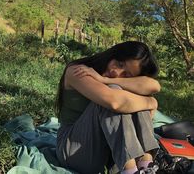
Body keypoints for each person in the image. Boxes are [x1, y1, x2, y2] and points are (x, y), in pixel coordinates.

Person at [55, 41, 161, 174]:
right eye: (120, 64)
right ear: (113, 54)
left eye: (127, 75)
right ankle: (130, 171)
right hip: (72, 150)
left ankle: (146, 165)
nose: (116, 72)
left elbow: (155, 86)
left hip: (109, 152)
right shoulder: (77, 70)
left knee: (132, 96)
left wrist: (105, 80)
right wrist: (150, 102)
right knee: (117, 95)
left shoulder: (109, 78)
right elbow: (114, 102)